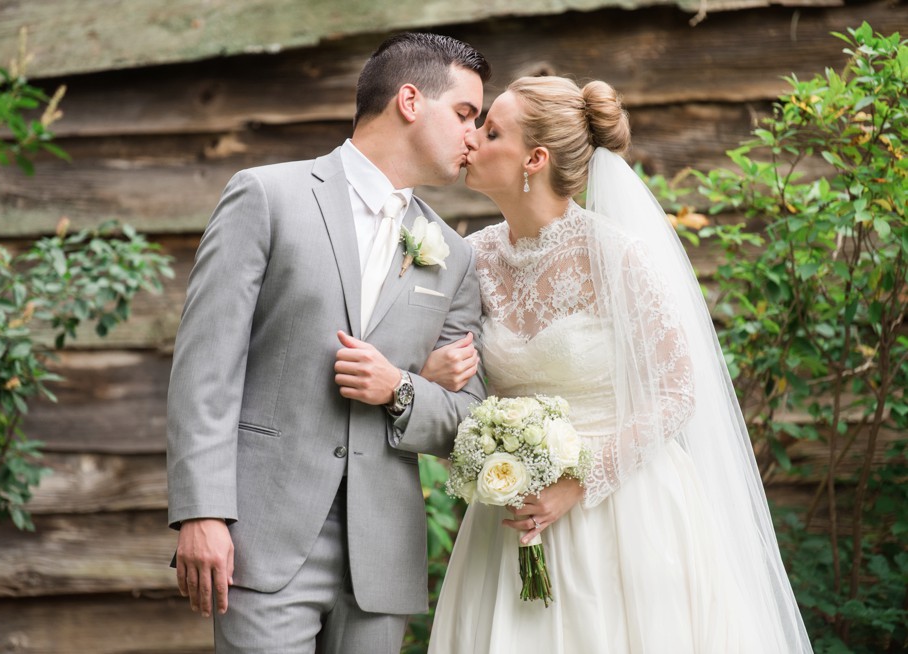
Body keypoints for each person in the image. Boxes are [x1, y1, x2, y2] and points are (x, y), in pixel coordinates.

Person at [423, 76, 813, 653]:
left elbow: (678, 391)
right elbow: (457, 375)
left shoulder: (614, 255)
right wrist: (434, 373)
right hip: (512, 515)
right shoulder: (472, 257)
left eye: (491, 129)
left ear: (535, 158)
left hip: (625, 516)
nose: (471, 138)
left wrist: (578, 480)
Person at [165, 33, 490, 653]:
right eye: (465, 114)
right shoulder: (266, 196)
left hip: (383, 553)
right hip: (262, 537)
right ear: (410, 100)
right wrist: (201, 511)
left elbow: (470, 419)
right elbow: (206, 367)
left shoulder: (453, 255)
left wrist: (402, 388)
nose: (473, 135)